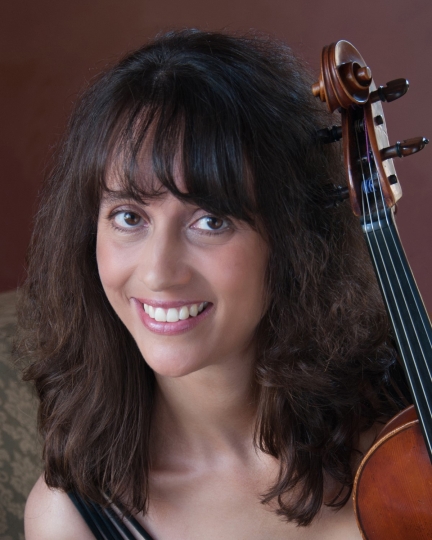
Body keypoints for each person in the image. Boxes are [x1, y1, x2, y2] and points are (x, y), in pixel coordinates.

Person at [18, 29, 408, 539]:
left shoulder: (404, 445)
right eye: (130, 217)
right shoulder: (72, 519)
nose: (159, 272)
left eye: (210, 221)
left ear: (293, 240)